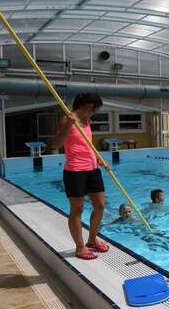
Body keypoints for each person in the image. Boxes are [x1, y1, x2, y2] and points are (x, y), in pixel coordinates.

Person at [53, 93, 110, 260]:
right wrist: (68, 125)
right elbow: (56, 145)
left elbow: (87, 143)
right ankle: (80, 247)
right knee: (77, 209)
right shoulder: (67, 119)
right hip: (75, 171)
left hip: (92, 169)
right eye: (95, 108)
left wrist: (98, 157)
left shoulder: (87, 121)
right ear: (89, 106)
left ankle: (92, 239)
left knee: (100, 205)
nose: (95, 111)